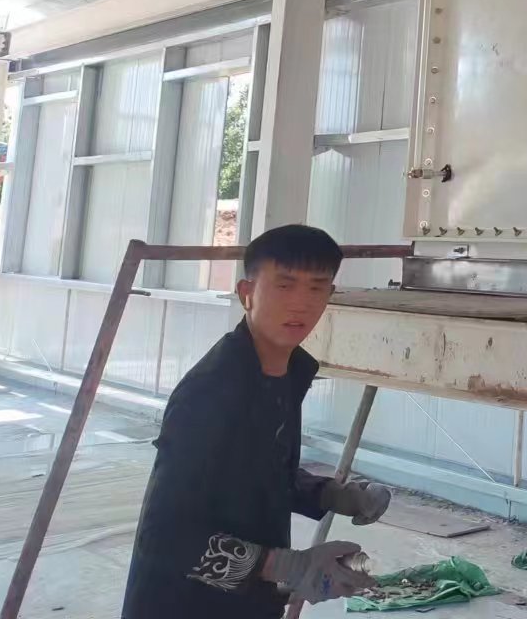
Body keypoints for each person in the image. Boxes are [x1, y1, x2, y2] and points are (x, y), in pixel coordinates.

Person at [121, 224, 391, 617]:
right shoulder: (211, 390)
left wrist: (330, 494)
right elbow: (165, 537)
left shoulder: (289, 373)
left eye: (316, 288)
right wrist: (286, 566)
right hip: (182, 604)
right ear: (246, 293)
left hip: (250, 604)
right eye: (284, 285)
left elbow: (254, 470)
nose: (300, 304)